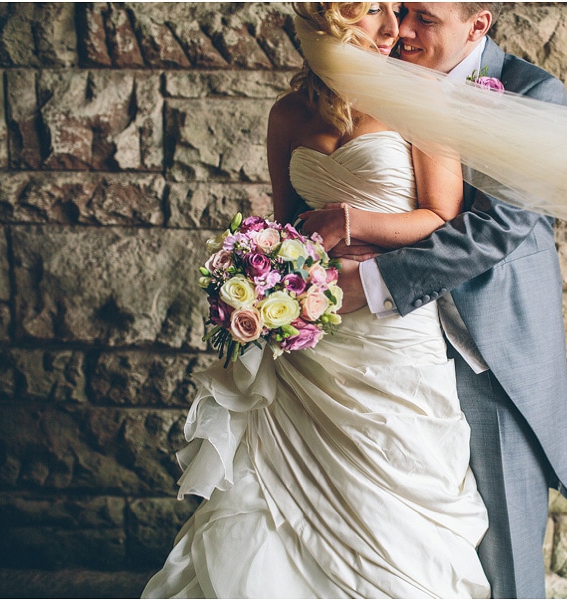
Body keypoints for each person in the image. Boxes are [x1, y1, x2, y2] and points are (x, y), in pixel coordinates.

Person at [143, 3, 491, 597]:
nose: (392, 30)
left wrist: (349, 221)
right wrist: (262, 280)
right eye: (373, 13)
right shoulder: (287, 115)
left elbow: (442, 217)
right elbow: (283, 228)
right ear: (330, 25)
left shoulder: (421, 99)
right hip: (310, 344)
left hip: (392, 338)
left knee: (390, 497)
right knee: (269, 501)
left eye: (397, 11)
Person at [303, 3, 567, 598]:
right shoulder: (376, 83)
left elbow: (498, 229)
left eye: (423, 18)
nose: (401, 31)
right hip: (389, 367)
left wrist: (372, 285)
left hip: (487, 358)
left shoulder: (534, 95)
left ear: (477, 26)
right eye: (401, 12)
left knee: (504, 562)